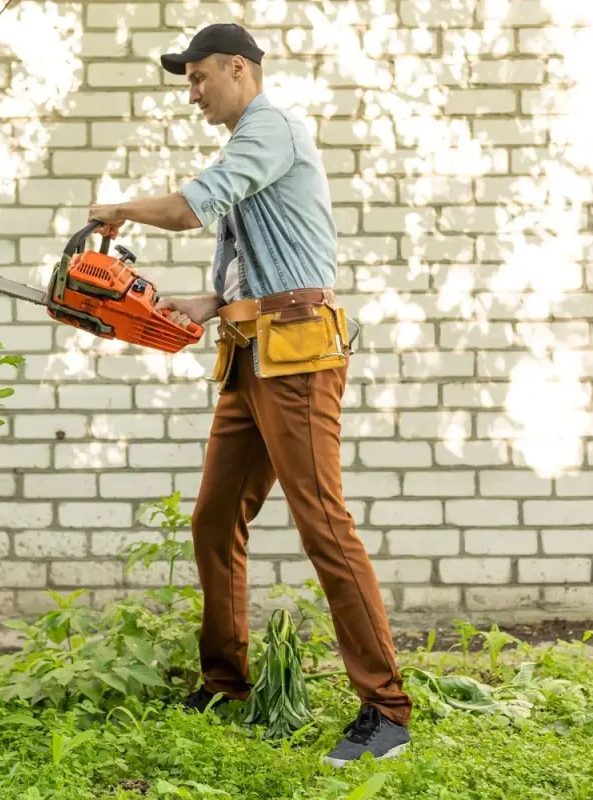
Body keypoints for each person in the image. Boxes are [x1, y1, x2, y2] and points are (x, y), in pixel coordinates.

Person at [85, 22, 413, 766]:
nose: (193, 92)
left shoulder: (272, 129)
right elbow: (249, 262)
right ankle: (225, 682)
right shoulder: (246, 143)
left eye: (201, 77)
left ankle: (387, 709)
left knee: (322, 521)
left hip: (296, 351)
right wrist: (207, 302)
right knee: (213, 517)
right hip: (249, 349)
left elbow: (194, 205)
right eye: (188, 81)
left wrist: (121, 210)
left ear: (240, 67)